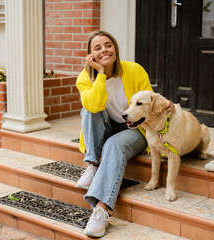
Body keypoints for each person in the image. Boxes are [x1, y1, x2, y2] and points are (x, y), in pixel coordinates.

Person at [75, 30, 174, 238]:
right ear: (90, 55)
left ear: (115, 48)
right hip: (106, 127)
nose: (104, 50)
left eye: (108, 45)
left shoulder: (134, 70)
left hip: (135, 130)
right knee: (89, 108)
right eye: (98, 47)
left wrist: (165, 104)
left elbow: (149, 99)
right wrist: (100, 74)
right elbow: (93, 105)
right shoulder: (85, 78)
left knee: (114, 145)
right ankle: (92, 164)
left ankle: (100, 210)